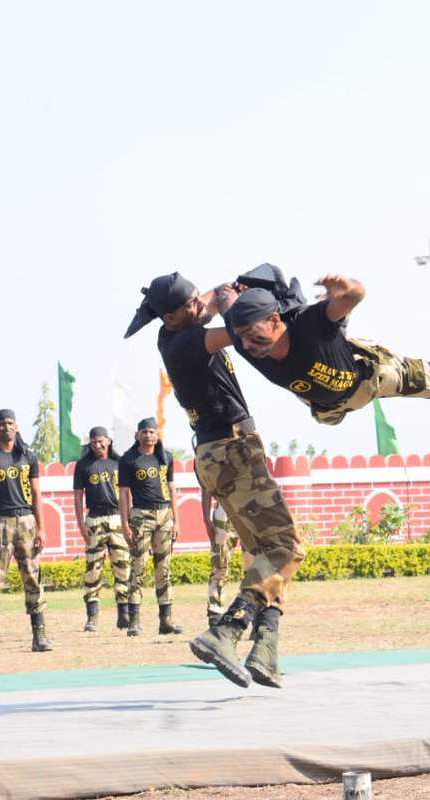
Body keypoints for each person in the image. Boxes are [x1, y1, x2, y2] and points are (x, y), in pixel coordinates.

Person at [125, 272, 303, 688]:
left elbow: (207, 299)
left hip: (217, 454)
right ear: (169, 317)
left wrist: (240, 282)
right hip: (232, 451)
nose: (197, 308)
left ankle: (266, 649)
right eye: (189, 307)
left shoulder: (177, 327)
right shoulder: (186, 342)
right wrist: (239, 306)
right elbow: (240, 332)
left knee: (262, 553)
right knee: (287, 547)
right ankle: (225, 633)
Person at [220, 263, 430, 425]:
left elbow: (355, 295)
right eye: (240, 336)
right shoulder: (244, 343)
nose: (247, 344)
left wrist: (348, 289)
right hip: (330, 407)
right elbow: (222, 299)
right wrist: (229, 292)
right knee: (329, 418)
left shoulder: (311, 326)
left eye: (252, 333)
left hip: (376, 376)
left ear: (274, 320)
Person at [0, 409, 51, 654]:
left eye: (10, 423)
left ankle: (39, 635)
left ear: (16, 426)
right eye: (1, 424)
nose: (6, 427)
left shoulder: (27, 456)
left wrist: (42, 528)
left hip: (27, 521)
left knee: (32, 577)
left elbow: (38, 494)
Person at [118, 417, 182, 638]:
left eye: (152, 431)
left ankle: (166, 620)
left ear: (157, 434)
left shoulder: (165, 458)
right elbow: (124, 493)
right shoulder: (128, 460)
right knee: (138, 568)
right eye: (144, 431)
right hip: (140, 516)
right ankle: (134, 620)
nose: (148, 435)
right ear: (137, 435)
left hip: (164, 516)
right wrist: (125, 523)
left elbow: (172, 489)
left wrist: (176, 520)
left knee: (163, 569)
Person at [72, 426, 130, 632]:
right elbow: (78, 496)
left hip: (117, 518)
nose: (97, 445)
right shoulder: (83, 465)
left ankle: (124, 615)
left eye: (101, 441)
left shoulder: (120, 463)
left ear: (109, 440)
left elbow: (127, 494)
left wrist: (128, 521)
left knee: (122, 568)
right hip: (94, 520)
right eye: (93, 442)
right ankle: (92, 618)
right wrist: (80, 525)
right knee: (92, 570)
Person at [201, 487, 253, 629]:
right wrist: (206, 519)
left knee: (253, 569)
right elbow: (206, 485)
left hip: (249, 508)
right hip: (224, 511)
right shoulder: (217, 462)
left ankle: (254, 614)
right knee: (219, 565)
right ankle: (215, 614)